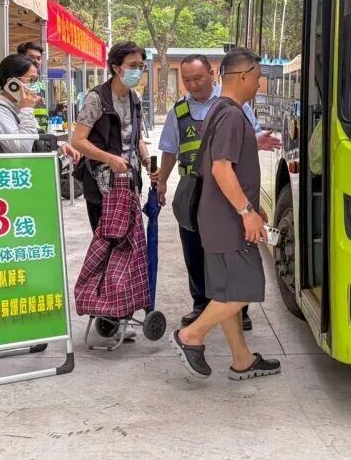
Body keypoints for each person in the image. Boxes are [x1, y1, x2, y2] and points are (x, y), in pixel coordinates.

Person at [172, 48, 281, 381]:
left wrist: (252, 206)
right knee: (245, 288)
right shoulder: (232, 115)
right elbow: (221, 168)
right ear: (243, 75)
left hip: (216, 217)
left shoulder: (219, 109)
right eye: (258, 76)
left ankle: (242, 359)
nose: (259, 84)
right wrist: (247, 212)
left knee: (226, 290)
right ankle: (191, 336)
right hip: (228, 220)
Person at [71, 42, 152, 231]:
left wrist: (149, 162)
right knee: (106, 240)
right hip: (103, 184)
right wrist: (110, 159)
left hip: (130, 182)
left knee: (130, 239)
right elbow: (78, 141)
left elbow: (137, 138)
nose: (138, 71)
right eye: (132, 65)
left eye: (141, 66)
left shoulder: (135, 99)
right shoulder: (97, 98)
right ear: (116, 68)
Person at [0, 55, 43, 154]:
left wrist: (59, 145)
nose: (35, 86)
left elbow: (37, 137)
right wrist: (27, 110)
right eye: (31, 80)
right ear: (12, 84)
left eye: (36, 80)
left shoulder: (18, 106)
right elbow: (23, 149)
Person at [16, 41, 50, 130]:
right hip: (25, 128)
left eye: (39, 58)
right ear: (21, 58)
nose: (36, 61)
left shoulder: (41, 82)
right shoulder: (18, 82)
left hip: (40, 130)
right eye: (31, 57)